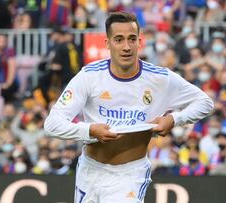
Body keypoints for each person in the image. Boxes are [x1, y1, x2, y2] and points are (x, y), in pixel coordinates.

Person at [44, 12, 213, 202]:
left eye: (132, 39)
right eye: (119, 39)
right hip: (90, 170)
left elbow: (205, 102)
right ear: (107, 43)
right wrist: (90, 130)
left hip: (130, 174)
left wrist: (174, 119)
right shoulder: (89, 76)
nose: (126, 46)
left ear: (139, 42)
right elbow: (52, 123)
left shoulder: (160, 78)